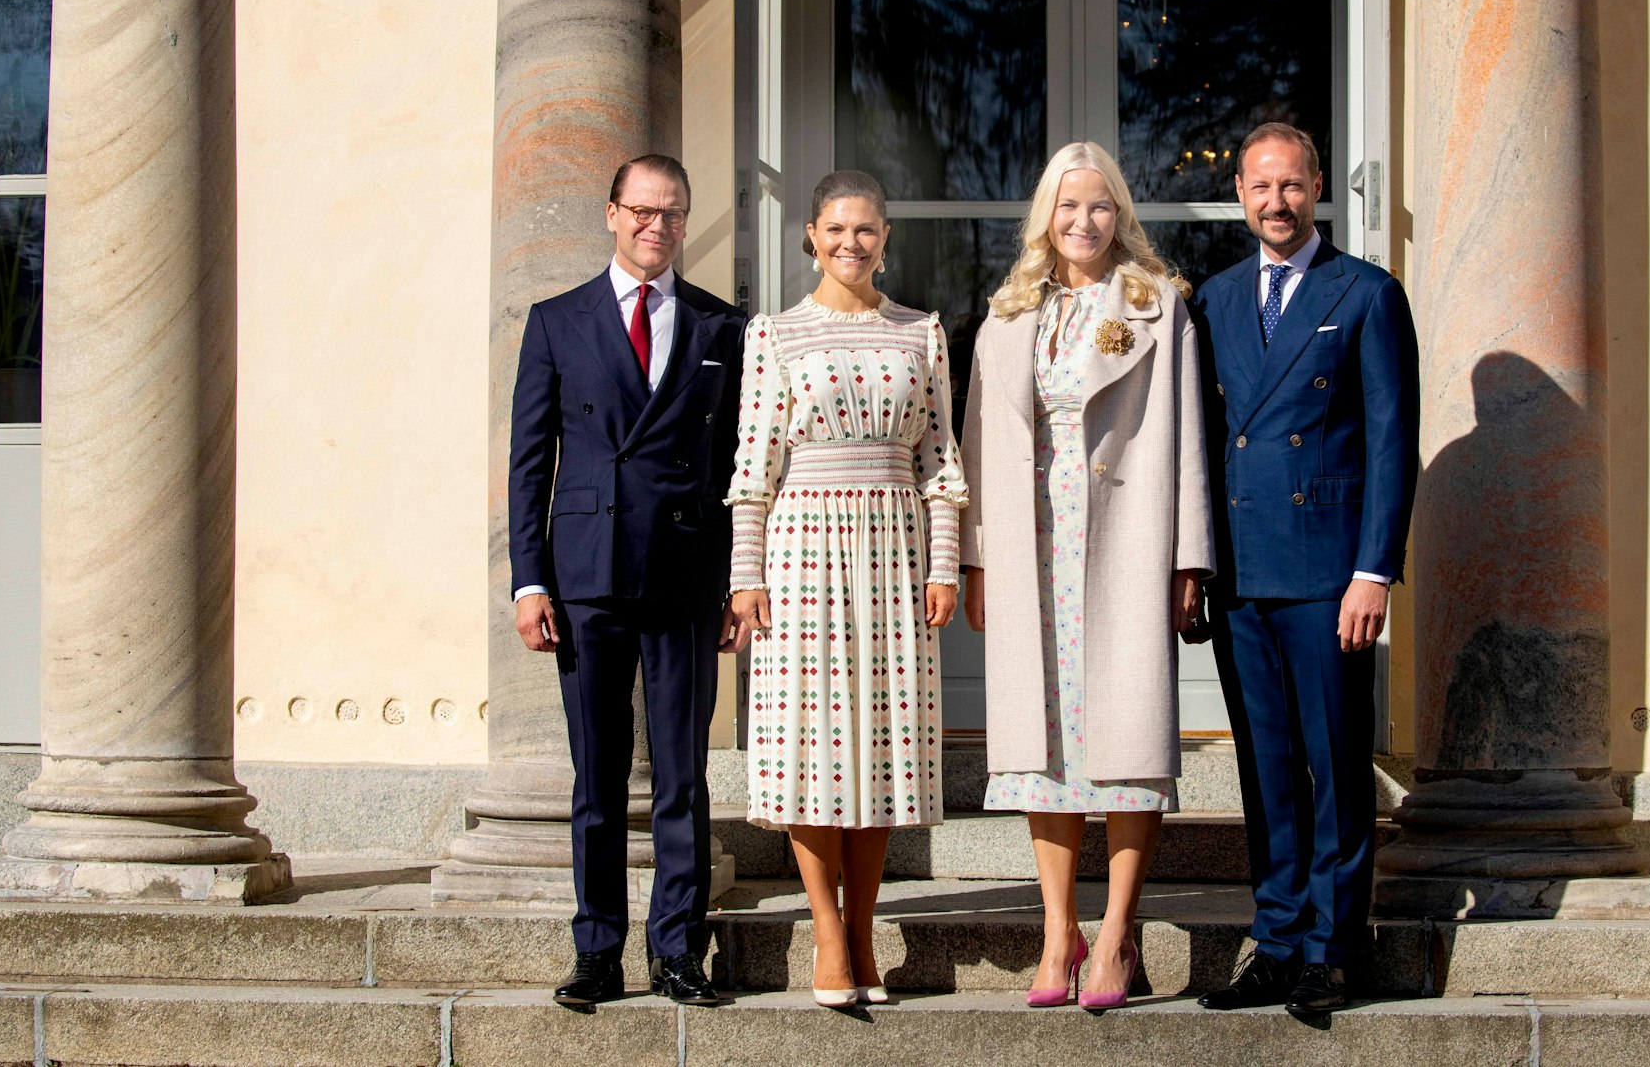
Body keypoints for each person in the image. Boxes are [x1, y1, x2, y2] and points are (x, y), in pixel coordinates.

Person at [960, 141, 1212, 1012]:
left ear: (1120, 215)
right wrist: (976, 556)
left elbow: (1187, 433)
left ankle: (1115, 933)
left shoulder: (1157, 306)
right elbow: (977, 444)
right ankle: (1057, 928)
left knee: (1129, 731)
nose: (1084, 221)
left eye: (1100, 205)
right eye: (1068, 206)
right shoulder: (1006, 317)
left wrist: (1188, 556)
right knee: (1045, 743)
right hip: (1030, 545)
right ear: (1046, 216)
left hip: (1126, 538)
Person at [507, 154, 748, 1010]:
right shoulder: (556, 321)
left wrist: (739, 581)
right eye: (642, 210)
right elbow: (529, 463)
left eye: (672, 212)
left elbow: (736, 468)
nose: (657, 225)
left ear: (686, 220)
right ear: (612, 213)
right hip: (587, 574)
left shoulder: (724, 326)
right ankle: (598, 951)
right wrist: (528, 581)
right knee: (599, 776)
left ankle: (678, 949)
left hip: (685, 572)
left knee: (682, 775)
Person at [1190, 122, 1419, 1016]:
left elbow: (1392, 443)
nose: (1276, 202)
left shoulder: (1366, 292)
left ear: (1317, 186)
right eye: (1260, 186)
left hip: (1329, 574)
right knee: (1267, 769)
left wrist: (1374, 570)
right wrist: (1194, 564)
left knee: (1335, 764)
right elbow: (1202, 445)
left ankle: (1332, 945)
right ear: (1240, 195)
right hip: (1242, 573)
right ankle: (1278, 938)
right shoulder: (1214, 299)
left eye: (1291, 184)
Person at [725, 170, 966, 1008]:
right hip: (802, 552)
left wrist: (943, 564)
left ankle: (864, 930)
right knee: (811, 741)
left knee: (881, 741)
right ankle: (828, 933)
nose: (850, 243)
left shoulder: (921, 331)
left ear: (885, 237)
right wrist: (746, 575)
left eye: (865, 229)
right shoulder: (774, 333)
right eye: (835, 229)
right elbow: (753, 465)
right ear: (811, 235)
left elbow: (940, 457)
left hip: (895, 550)